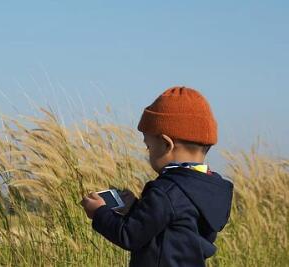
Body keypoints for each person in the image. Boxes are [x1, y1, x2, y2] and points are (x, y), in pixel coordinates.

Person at [80, 86, 234, 267]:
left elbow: (129, 235)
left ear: (167, 145)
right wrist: (136, 208)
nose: (148, 152)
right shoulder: (211, 189)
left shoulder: (166, 190)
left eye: (148, 146)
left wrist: (99, 212)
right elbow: (172, 226)